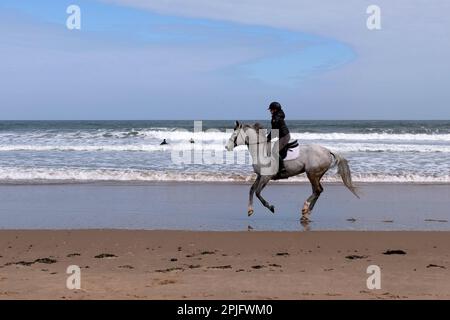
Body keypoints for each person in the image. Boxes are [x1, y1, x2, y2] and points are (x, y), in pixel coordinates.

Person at [267, 101, 291, 176]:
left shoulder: (277, 118)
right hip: (281, 136)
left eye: (271, 109)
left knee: (274, 151)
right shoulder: (276, 116)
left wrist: (268, 138)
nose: (270, 111)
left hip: (284, 137)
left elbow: (275, 131)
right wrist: (268, 138)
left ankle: (282, 169)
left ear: (275, 109)